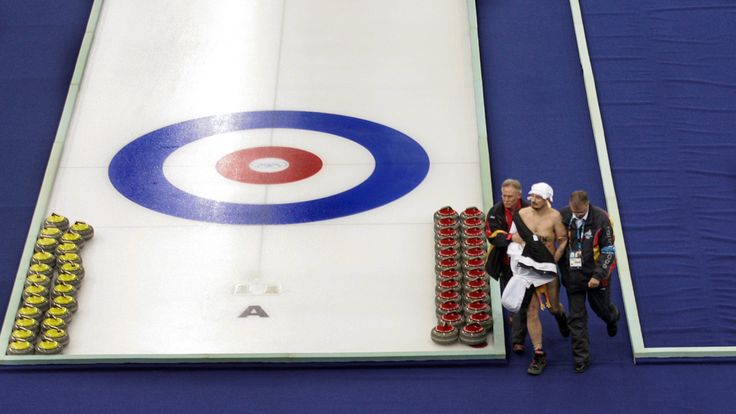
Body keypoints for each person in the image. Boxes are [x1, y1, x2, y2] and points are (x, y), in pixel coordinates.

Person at [506, 182, 569, 375]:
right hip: (527, 271)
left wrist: (553, 261)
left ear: (547, 199)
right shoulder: (522, 214)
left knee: (552, 307)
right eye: (532, 196)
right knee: (532, 311)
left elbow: (563, 239)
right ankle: (539, 353)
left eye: (538, 197)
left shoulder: (555, 217)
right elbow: (512, 237)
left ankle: (560, 315)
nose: (533, 200)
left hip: (547, 270)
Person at [559, 190, 619, 374]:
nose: (576, 215)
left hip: (596, 277)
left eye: (579, 212)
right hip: (573, 277)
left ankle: (612, 316)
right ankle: (581, 358)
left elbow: (608, 251)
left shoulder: (602, 219)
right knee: (576, 318)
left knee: (600, 309)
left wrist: (597, 275)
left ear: (587, 205)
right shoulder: (563, 216)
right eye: (573, 211)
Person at [485, 178, 529, 354]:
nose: (506, 199)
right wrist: (511, 238)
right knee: (508, 295)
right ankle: (515, 317)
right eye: (504, 195)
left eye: (510, 196)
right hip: (504, 263)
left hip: (524, 264)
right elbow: (491, 235)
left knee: (521, 301)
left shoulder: (529, 210)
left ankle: (518, 340)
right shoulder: (495, 212)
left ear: (519, 195)